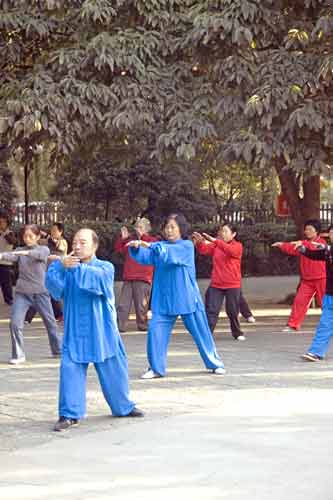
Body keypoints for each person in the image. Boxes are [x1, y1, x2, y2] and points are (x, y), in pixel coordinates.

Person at [46, 228, 143, 431]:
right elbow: (54, 288)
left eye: (82, 243)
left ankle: (123, 407)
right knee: (70, 369)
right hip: (76, 330)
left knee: (114, 369)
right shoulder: (67, 267)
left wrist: (68, 266)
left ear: (95, 246)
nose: (77, 247)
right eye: (74, 243)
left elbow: (95, 281)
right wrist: (60, 267)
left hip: (103, 329)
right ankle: (69, 414)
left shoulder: (105, 267)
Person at [128, 213, 225, 379]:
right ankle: (156, 368)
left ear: (181, 229)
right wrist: (136, 248)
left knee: (202, 332)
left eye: (173, 227)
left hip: (186, 298)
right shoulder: (159, 246)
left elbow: (168, 253)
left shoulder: (186, 246)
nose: (169, 230)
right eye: (167, 227)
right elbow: (146, 257)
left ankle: (214, 363)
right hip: (164, 299)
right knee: (155, 332)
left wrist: (149, 245)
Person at [0, 224, 61, 364]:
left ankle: (58, 350)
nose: (27, 239)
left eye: (31, 236)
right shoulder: (19, 251)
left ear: (38, 237)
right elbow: (10, 256)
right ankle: (19, 355)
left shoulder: (43, 249)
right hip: (22, 293)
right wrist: (2, 255)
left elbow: (39, 255)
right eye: (25, 236)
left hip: (41, 293)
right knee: (15, 324)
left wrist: (25, 253)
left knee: (50, 323)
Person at [193, 223, 246, 340]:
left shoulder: (238, 246)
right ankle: (206, 334)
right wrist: (200, 242)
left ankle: (237, 333)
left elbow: (230, 251)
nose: (223, 233)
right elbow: (204, 250)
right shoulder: (217, 245)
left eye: (226, 231)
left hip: (232, 284)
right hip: (216, 284)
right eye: (222, 231)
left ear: (233, 234)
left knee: (232, 311)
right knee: (212, 310)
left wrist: (215, 241)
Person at [272, 219, 326, 332]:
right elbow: (293, 248)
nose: (307, 231)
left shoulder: (321, 243)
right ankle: (293, 325)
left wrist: (302, 243)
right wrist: (282, 245)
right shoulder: (302, 244)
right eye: (306, 229)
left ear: (317, 232)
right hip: (307, 280)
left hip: (322, 278)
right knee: (299, 301)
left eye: (310, 229)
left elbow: (312, 247)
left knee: (325, 304)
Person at [293, 227, 333, 361]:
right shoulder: (328, 252)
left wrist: (327, 249)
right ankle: (316, 352)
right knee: (325, 325)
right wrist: (302, 249)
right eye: (331, 233)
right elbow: (314, 255)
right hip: (330, 295)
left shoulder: (329, 250)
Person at [114, 218, 156, 332]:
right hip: (129, 276)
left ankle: (142, 325)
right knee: (123, 304)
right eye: (137, 226)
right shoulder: (130, 240)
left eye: (141, 227)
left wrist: (141, 240)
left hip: (143, 277)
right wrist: (123, 239)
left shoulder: (151, 241)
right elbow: (119, 251)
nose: (138, 229)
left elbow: (153, 254)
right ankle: (119, 326)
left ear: (147, 229)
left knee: (141, 306)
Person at [25, 222, 68, 323]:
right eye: (51, 230)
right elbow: (37, 243)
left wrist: (47, 236)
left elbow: (58, 246)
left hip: (56, 272)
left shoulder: (63, 242)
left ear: (61, 232)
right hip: (45, 271)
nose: (52, 232)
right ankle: (59, 314)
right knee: (46, 294)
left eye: (54, 230)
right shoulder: (47, 242)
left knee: (41, 293)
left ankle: (27, 317)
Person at [0, 212, 17, 306]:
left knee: (6, 284)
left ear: (7, 223)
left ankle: (9, 299)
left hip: (6, 262)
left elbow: (13, 242)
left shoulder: (10, 233)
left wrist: (4, 233)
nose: (1, 223)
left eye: (3, 222)